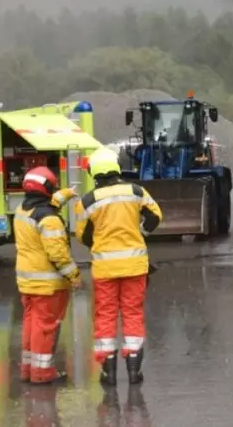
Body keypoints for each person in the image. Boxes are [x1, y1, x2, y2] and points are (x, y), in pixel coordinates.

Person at [74, 148, 163, 386]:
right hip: (135, 266)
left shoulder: (88, 201)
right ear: (115, 167)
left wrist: (101, 242)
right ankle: (134, 371)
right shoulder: (136, 191)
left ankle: (109, 373)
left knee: (106, 316)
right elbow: (156, 216)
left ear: (94, 172)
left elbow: (82, 235)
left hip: (105, 269)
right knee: (133, 314)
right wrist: (139, 233)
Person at [14, 166, 81, 384]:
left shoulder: (22, 211)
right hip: (48, 285)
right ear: (47, 188)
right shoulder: (49, 219)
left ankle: (28, 370)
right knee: (45, 328)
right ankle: (42, 374)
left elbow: (49, 202)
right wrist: (75, 276)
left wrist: (68, 193)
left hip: (27, 282)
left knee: (31, 324)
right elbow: (58, 255)